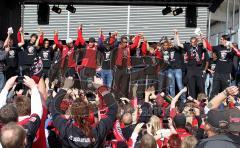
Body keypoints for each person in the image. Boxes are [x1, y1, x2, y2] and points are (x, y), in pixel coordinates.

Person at [46, 78, 118, 148]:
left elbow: (54, 106)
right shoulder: (99, 130)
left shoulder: (65, 128)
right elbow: (113, 107)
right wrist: (101, 88)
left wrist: (65, 87)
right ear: (88, 113)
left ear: (73, 115)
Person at [175, 30, 209, 99]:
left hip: (198, 69)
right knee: (191, 86)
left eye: (194, 42)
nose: (193, 43)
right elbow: (179, 44)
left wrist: (202, 37)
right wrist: (176, 34)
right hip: (190, 69)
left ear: (196, 42)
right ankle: (192, 100)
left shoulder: (200, 47)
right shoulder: (187, 46)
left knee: (201, 86)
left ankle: (203, 100)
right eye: (191, 42)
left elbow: (205, 46)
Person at [113, 34, 141, 98]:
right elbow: (113, 43)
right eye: (125, 42)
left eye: (126, 42)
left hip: (126, 68)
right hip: (119, 68)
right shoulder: (118, 47)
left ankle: (123, 98)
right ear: (121, 42)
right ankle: (116, 97)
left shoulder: (128, 48)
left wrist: (138, 37)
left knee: (125, 85)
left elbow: (135, 45)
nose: (126, 43)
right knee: (117, 84)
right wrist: (114, 36)